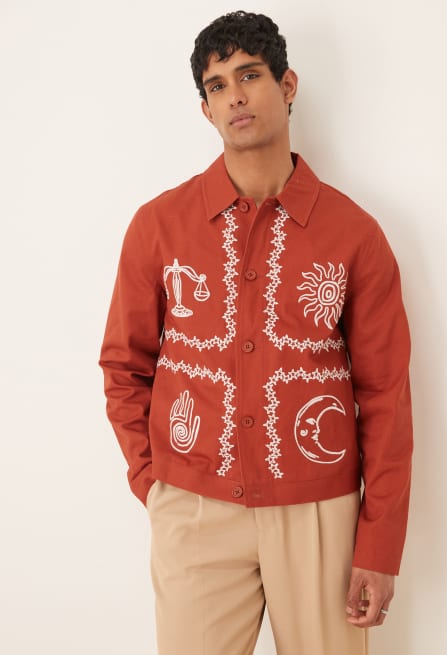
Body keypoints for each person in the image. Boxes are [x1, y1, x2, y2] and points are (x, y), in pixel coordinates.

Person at [99, 10, 413, 655]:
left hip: (318, 513)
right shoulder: (158, 226)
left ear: (287, 84)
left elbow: (386, 395)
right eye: (217, 86)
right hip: (193, 506)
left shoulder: (354, 234)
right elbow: (124, 366)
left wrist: (379, 543)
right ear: (206, 110)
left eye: (250, 75)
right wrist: (154, 484)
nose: (235, 96)